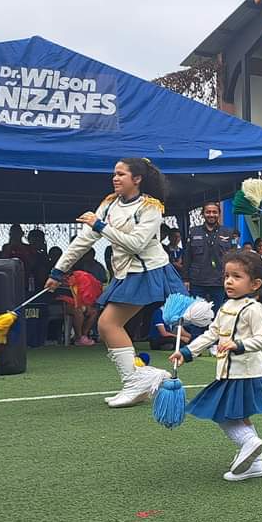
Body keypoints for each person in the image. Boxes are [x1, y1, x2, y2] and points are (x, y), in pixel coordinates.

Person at [46, 158, 186, 407]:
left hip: (146, 271)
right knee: (108, 326)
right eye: (114, 174)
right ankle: (140, 380)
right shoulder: (109, 203)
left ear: (137, 179)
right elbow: (83, 240)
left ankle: (136, 381)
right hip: (124, 273)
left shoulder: (151, 207)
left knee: (108, 324)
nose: (115, 178)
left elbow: (136, 244)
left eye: (121, 174)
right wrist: (58, 271)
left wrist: (100, 226)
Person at [171, 250, 262, 482]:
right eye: (226, 276)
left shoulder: (254, 308)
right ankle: (256, 463)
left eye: (236, 276)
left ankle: (248, 442)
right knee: (240, 416)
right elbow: (211, 334)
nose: (229, 281)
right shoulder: (226, 306)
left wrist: (238, 345)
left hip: (246, 373)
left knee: (223, 415)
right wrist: (186, 352)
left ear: (255, 284)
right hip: (228, 372)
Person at [182, 202, 234, 311]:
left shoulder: (228, 232)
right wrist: (185, 279)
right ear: (203, 214)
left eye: (214, 212)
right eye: (208, 212)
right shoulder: (193, 232)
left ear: (219, 214)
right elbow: (187, 257)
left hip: (219, 281)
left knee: (217, 314)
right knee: (196, 314)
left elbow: (233, 258)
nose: (211, 215)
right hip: (197, 281)